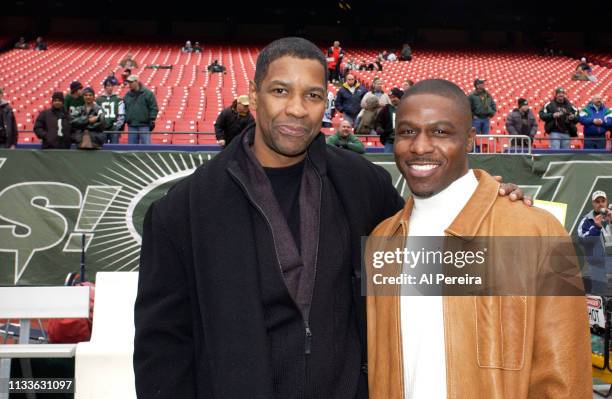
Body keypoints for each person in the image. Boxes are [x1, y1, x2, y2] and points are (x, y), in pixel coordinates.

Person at [134, 37, 527, 399]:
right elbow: (162, 350)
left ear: (327, 103)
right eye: (280, 91)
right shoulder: (182, 211)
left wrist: (486, 203)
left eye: (313, 95)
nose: (297, 109)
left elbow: (427, 266)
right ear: (254, 95)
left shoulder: (363, 184)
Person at [366, 79, 591, 398]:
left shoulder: (541, 232)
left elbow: (565, 382)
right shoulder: (381, 240)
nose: (419, 147)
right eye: (407, 132)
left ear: (470, 139)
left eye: (440, 132)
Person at [578, 190, 612, 295]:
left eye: (603, 201)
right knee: (601, 296)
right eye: (597, 201)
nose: (600, 204)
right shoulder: (587, 220)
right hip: (597, 266)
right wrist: (596, 227)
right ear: (593, 203)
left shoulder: (611, 216)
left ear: (606, 202)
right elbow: (583, 240)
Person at [123, 75, 158, 145]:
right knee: (131, 148)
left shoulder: (147, 93)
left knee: (146, 147)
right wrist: (126, 119)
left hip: (144, 125)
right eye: (128, 83)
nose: (129, 85)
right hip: (132, 125)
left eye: (131, 82)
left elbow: (154, 107)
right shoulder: (127, 95)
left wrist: (152, 119)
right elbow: (124, 108)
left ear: (136, 82)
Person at [375, 87, 403, 153]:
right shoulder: (386, 108)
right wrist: (379, 127)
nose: (392, 99)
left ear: (399, 97)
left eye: (394, 97)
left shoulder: (406, 108)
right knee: (388, 159)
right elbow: (378, 121)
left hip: (403, 140)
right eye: (391, 97)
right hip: (389, 140)